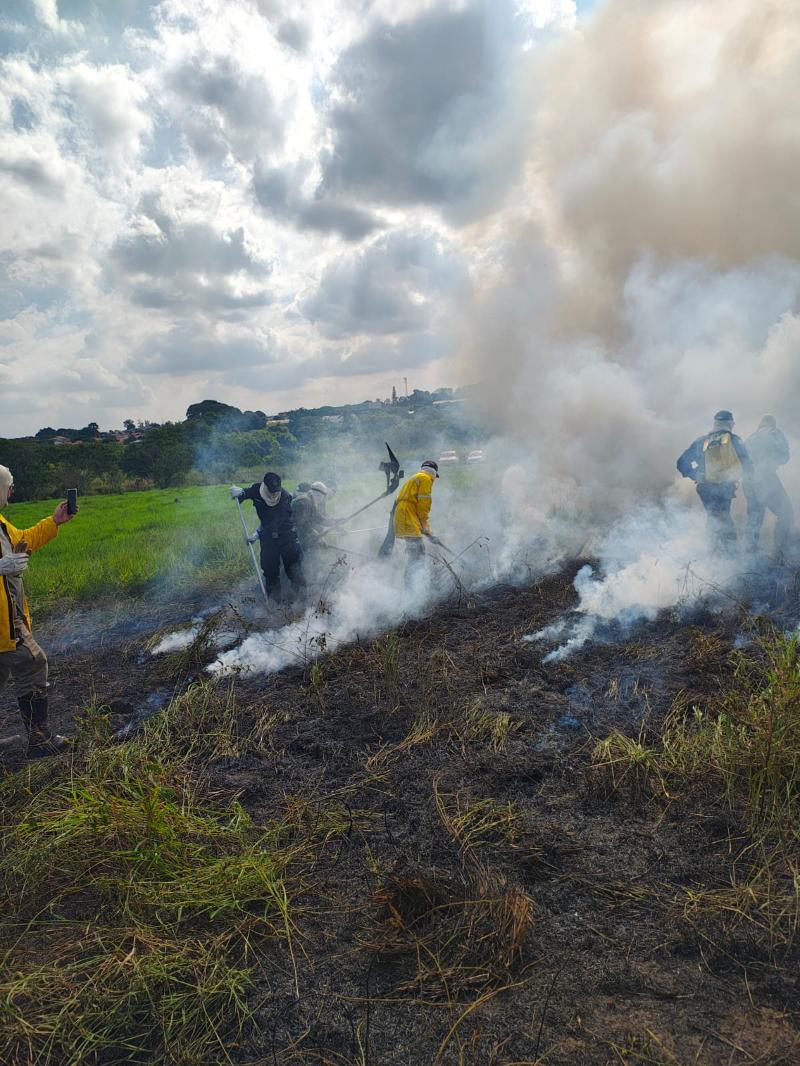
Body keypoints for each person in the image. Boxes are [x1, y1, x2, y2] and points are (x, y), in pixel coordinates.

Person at [0, 465, 76, 757]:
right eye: (9, 485)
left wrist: (55, 521)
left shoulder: (1, 523)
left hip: (9, 616)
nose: (11, 491)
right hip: (4, 623)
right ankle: (40, 741)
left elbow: (24, 539)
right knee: (33, 663)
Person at [677, 410, 754, 549]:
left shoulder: (701, 441)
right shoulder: (735, 440)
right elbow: (748, 465)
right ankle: (728, 552)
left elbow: (681, 462)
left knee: (714, 517)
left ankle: (712, 551)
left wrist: (696, 475)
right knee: (721, 517)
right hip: (725, 487)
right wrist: (740, 476)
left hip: (705, 487)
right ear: (730, 424)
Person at [230, 472, 305, 602]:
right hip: (269, 541)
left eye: (277, 492)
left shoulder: (285, 497)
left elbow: (276, 523)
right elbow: (248, 493)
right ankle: (275, 605)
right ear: (265, 487)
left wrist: (257, 534)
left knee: (294, 570)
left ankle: (299, 602)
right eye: (272, 492)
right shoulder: (257, 490)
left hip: (287, 537)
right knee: (270, 572)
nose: (275, 495)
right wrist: (239, 492)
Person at [745, 415, 795, 556]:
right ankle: (780, 552)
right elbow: (785, 455)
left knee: (754, 518)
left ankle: (749, 553)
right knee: (786, 514)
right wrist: (773, 463)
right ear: (772, 424)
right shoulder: (775, 433)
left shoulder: (751, 437)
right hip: (766, 478)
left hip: (748, 481)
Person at [393, 459, 440, 577]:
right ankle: (413, 587)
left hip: (404, 514)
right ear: (434, 472)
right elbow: (423, 507)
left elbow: (417, 509)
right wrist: (429, 532)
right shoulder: (426, 479)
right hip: (406, 515)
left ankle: (413, 585)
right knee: (418, 553)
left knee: (416, 552)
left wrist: (428, 532)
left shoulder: (417, 477)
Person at [291, 481, 337, 573]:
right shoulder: (303, 502)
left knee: (313, 553)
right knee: (307, 558)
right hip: (293, 537)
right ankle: (307, 577)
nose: (322, 499)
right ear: (318, 494)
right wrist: (318, 537)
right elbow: (303, 524)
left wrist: (335, 522)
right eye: (322, 496)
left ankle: (312, 573)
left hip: (302, 535)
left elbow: (318, 518)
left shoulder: (311, 501)